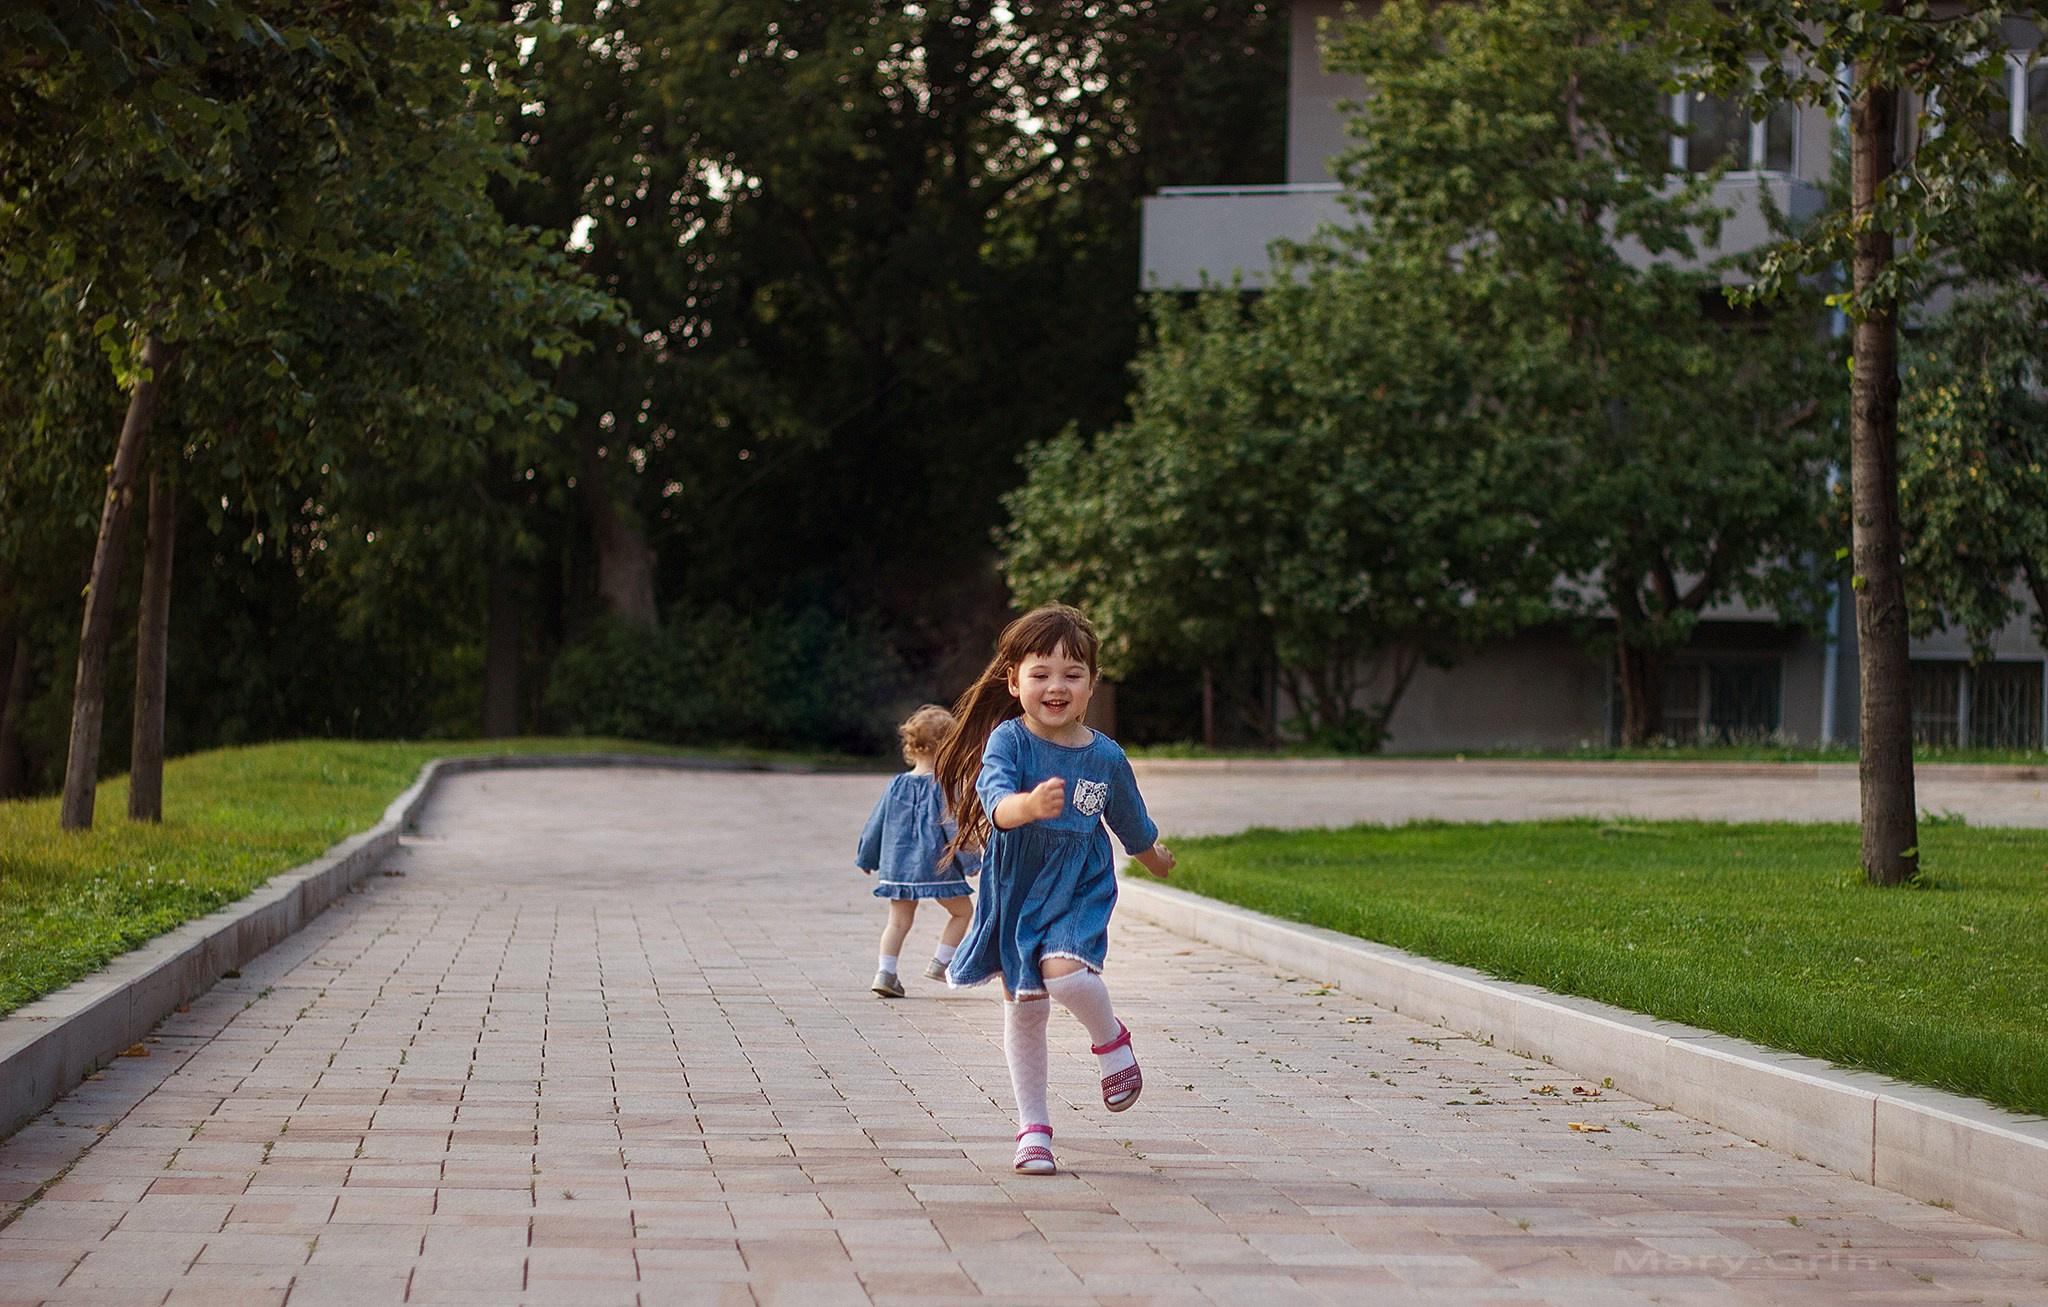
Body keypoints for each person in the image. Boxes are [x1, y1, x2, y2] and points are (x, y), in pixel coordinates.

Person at [934, 604, 1174, 1176]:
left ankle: (1111, 1039)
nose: (1056, 686)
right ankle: (1033, 1131)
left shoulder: (1105, 756)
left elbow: (1130, 820)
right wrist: (1028, 806)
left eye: (1072, 673)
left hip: (1079, 885)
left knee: (1064, 976)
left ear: (1093, 682)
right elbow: (995, 802)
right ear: (1014, 681)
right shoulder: (1008, 743)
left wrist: (1152, 856)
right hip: (1016, 886)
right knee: (1026, 1007)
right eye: (1040, 673)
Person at [856, 704, 979, 998]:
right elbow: (954, 827)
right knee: (963, 912)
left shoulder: (896, 784)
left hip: (898, 866)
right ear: (948, 747)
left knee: (897, 921)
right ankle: (941, 962)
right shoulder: (945, 786)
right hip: (935, 865)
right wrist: (972, 860)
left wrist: (866, 857)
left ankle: (885, 973)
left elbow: (877, 823)